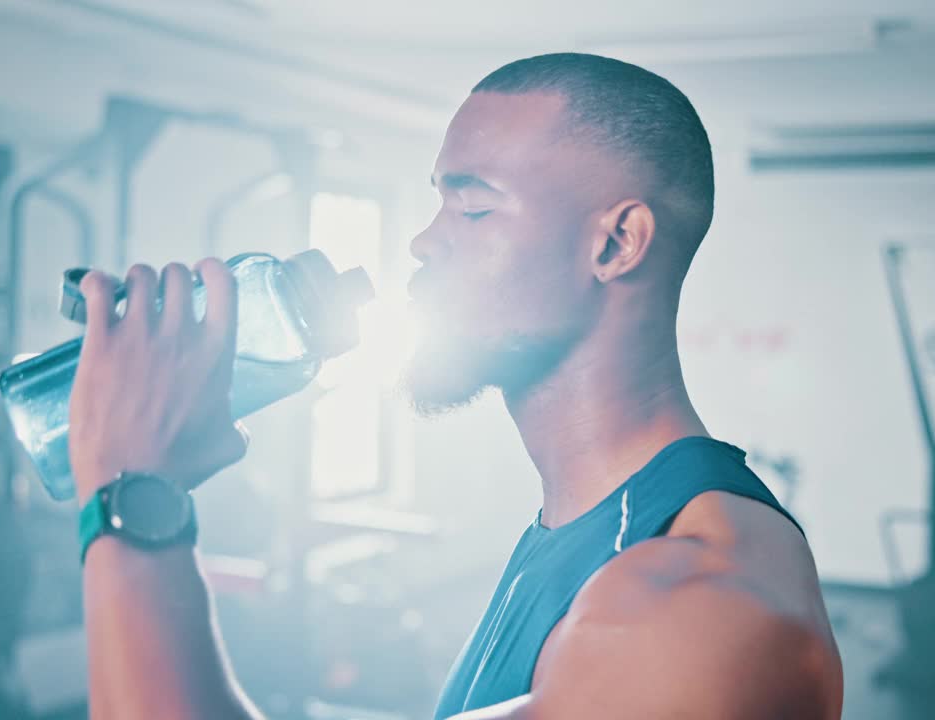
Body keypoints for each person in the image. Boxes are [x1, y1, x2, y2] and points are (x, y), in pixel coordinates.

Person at [69, 53, 843, 719]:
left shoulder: (692, 612)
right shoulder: (590, 529)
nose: (422, 240)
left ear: (615, 242)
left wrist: (133, 494)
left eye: (473, 207)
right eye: (440, 201)